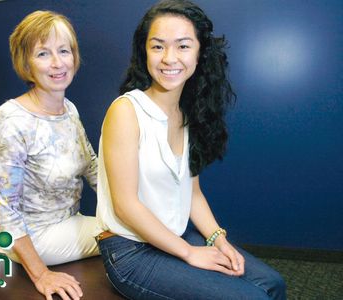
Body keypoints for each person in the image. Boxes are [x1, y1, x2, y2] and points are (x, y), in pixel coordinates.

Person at [95, 0, 286, 299]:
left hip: (176, 234)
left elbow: (192, 193)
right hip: (130, 251)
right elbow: (125, 205)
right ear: (144, 52)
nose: (169, 58)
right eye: (157, 46)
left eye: (183, 46)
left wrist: (217, 239)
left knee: (273, 284)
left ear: (200, 53)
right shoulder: (126, 111)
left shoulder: (188, 113)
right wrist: (189, 253)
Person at [0, 11, 99, 300]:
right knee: (135, 233)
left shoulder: (69, 109)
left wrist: (132, 204)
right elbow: (6, 215)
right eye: (43, 53)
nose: (57, 63)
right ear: (26, 63)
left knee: (140, 223)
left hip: (70, 223)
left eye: (64, 51)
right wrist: (42, 274)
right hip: (31, 240)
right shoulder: (9, 120)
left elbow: (93, 168)